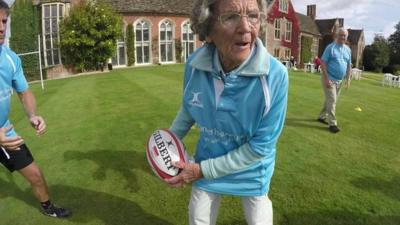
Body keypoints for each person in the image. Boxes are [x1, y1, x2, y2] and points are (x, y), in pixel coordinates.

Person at [165, 0, 288, 224]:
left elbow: (261, 146)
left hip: (251, 171)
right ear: (208, 29)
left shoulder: (276, 76)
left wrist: (202, 170)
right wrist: (165, 142)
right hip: (208, 159)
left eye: (252, 16)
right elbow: (189, 109)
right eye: (230, 17)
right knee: (197, 218)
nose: (245, 28)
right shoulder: (194, 65)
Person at [0, 0, 71, 218]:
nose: (1, 28)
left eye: (4, 21)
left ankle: (48, 208)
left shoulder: (10, 59)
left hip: (6, 132)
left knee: (36, 175)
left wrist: (32, 115)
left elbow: (24, 92)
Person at [317, 27, 352, 133]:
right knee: (332, 100)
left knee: (330, 100)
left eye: (344, 35)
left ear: (346, 37)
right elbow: (323, 63)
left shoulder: (348, 50)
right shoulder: (330, 48)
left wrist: (348, 79)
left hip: (340, 80)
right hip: (329, 79)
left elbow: (349, 65)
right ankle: (333, 124)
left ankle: (321, 116)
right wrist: (326, 79)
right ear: (337, 35)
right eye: (340, 35)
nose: (342, 37)